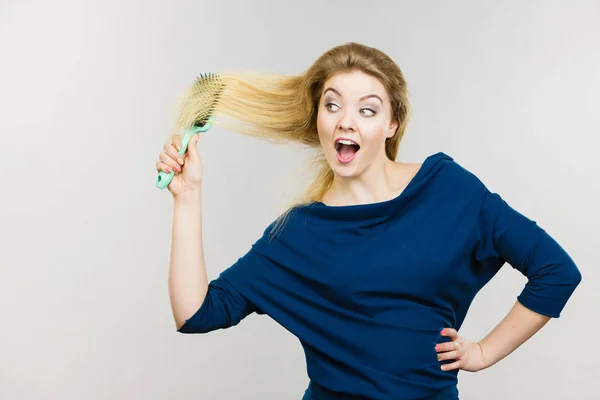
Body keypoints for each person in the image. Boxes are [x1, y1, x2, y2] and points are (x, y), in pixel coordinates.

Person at [155, 42, 582, 400]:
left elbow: (556, 271)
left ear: (392, 124)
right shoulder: (298, 233)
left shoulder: (449, 189)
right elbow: (196, 313)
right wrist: (187, 198)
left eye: (367, 109)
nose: (346, 120)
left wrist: (484, 353)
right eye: (333, 104)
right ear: (318, 119)